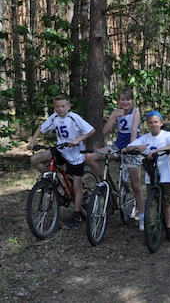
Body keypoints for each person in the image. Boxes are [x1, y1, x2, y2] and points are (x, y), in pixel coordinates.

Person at [27, 94, 96, 229]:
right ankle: (52, 181)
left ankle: (77, 215)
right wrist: (32, 142)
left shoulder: (73, 117)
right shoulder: (54, 117)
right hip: (61, 150)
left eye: (62, 106)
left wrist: (78, 140)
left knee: (76, 186)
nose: (60, 109)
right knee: (35, 159)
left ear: (68, 107)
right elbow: (41, 128)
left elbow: (91, 130)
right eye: (57, 106)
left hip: (75, 154)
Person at [84, 88, 145, 230]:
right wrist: (114, 116)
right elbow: (104, 131)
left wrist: (130, 148)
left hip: (132, 148)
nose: (125, 102)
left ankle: (142, 215)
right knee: (89, 157)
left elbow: (133, 134)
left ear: (132, 101)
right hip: (117, 146)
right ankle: (104, 183)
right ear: (119, 101)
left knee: (136, 187)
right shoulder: (116, 112)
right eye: (122, 99)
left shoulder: (135, 112)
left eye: (128, 99)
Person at [124, 110, 170, 242]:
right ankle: (152, 231)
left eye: (156, 122)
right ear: (147, 124)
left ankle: (169, 230)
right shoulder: (145, 138)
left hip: (165, 175)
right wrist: (139, 147)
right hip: (151, 175)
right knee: (152, 203)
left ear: (161, 123)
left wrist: (158, 151)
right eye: (150, 122)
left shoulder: (167, 135)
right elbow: (128, 148)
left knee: (166, 203)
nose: (153, 125)